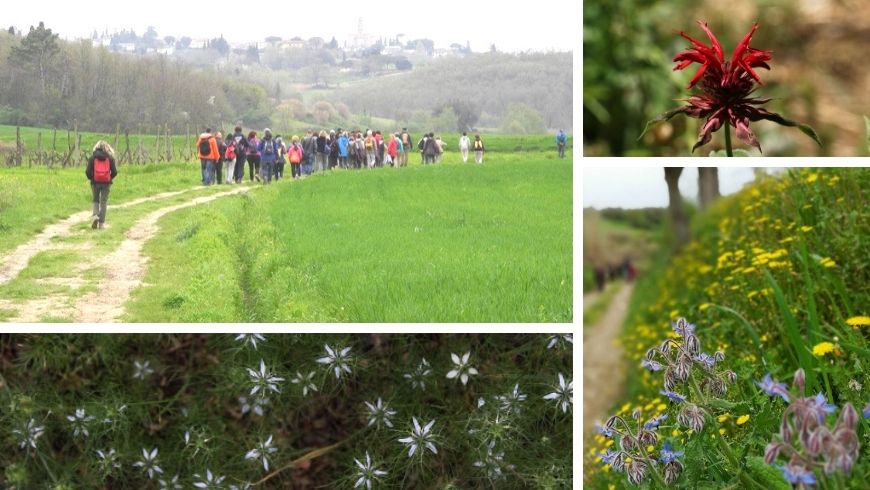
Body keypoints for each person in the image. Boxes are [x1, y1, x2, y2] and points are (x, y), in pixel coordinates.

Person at [85, 140, 118, 229]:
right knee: (103, 202)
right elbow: (115, 172)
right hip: (106, 183)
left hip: (95, 182)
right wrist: (109, 178)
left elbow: (87, 172)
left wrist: (92, 178)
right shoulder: (110, 158)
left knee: (95, 200)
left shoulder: (92, 158)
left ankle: (95, 216)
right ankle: (101, 223)